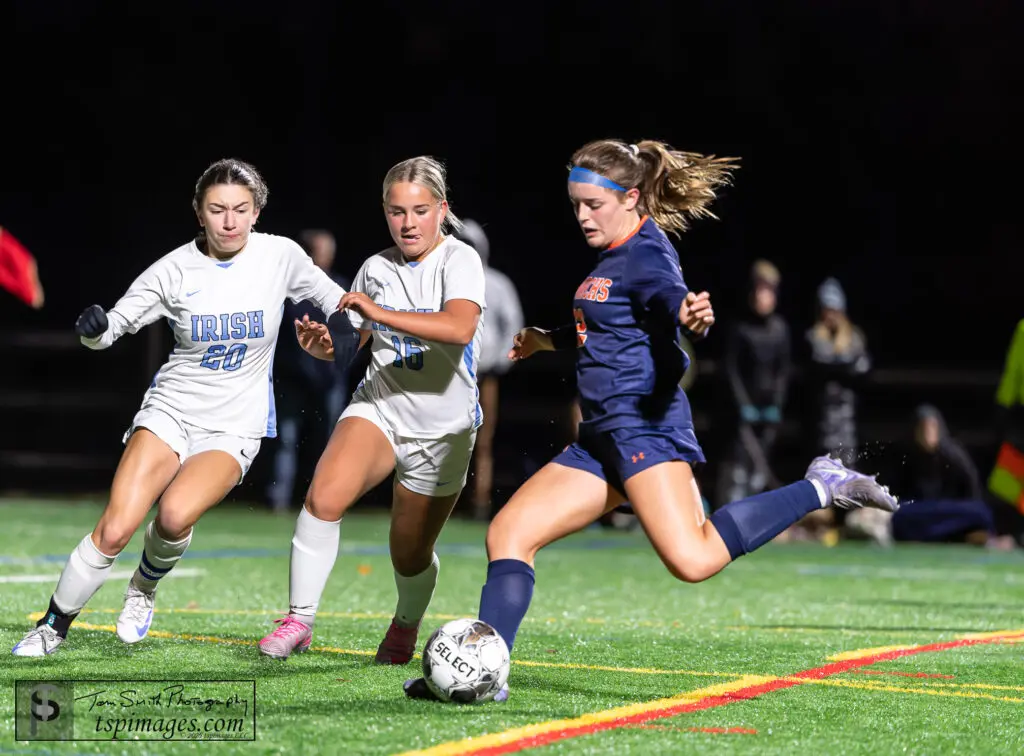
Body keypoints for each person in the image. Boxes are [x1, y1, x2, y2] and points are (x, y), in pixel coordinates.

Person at [402, 138, 899, 701]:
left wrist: (691, 315)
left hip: (645, 433)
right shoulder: (613, 257)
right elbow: (614, 326)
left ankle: (820, 485)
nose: (582, 216)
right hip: (599, 442)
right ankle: (489, 675)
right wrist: (551, 340)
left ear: (631, 197)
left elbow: (670, 305)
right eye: (575, 205)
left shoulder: (649, 256)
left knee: (694, 558)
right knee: (509, 534)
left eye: (593, 204)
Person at [11, 159, 350, 657]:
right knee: (116, 526)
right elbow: (116, 325)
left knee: (172, 517)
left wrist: (352, 334)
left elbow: (339, 302)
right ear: (199, 213)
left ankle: (143, 589)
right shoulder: (173, 270)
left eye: (240, 209)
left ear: (257, 212)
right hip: (171, 410)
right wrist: (94, 331)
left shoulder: (281, 256)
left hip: (235, 425)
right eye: (217, 210)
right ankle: (52, 625)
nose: (229, 221)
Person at [257, 156, 486, 665]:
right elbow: (350, 344)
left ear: (441, 210)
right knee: (324, 497)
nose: (408, 223)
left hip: (443, 430)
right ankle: (299, 619)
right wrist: (323, 346)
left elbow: (458, 327)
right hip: (380, 405)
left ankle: (405, 625)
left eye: (420, 211)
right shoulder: (375, 268)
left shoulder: (460, 260)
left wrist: (378, 313)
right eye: (396, 211)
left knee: (409, 553)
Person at [267, 229, 359, 513]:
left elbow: (355, 337)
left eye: (327, 251)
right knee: (286, 440)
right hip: (293, 381)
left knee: (328, 444)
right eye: (318, 251)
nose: (323, 257)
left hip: (329, 383)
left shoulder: (341, 290)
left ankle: (323, 502)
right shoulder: (286, 292)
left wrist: (336, 369)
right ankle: (278, 500)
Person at [453, 219, 524, 520]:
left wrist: (501, 361)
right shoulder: (445, 284)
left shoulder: (496, 284)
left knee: (482, 439)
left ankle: (479, 501)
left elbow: (514, 326)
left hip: (485, 375)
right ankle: (445, 501)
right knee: (447, 437)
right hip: (451, 375)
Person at [717, 259, 790, 506]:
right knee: (738, 467)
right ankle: (731, 514)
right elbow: (731, 370)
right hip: (741, 414)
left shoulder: (780, 329)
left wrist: (776, 405)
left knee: (761, 471)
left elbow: (782, 372)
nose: (764, 297)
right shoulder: (739, 328)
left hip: (767, 412)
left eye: (769, 291)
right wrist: (742, 405)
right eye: (760, 290)